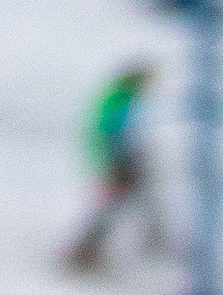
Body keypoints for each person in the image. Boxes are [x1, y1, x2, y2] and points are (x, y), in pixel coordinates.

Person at [65, 62, 160, 273]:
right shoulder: (119, 101)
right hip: (119, 165)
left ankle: (155, 241)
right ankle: (83, 252)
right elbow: (111, 134)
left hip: (124, 163)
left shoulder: (124, 99)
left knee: (139, 203)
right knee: (112, 207)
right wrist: (117, 163)